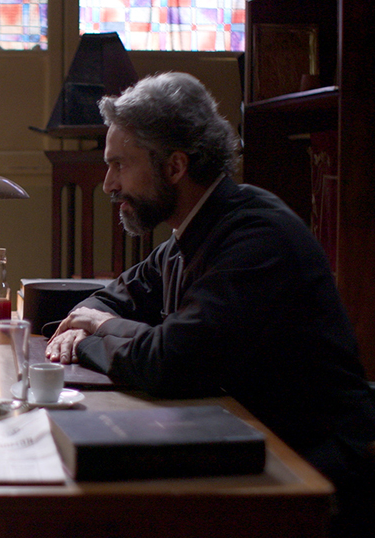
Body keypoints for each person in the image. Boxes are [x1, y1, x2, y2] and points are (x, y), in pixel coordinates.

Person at [46, 72, 375, 538]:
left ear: (175, 167)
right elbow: (110, 298)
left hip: (318, 472)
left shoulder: (256, 238)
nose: (108, 184)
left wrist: (93, 332)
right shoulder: (191, 233)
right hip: (243, 442)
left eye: (119, 165)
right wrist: (91, 321)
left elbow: (169, 362)